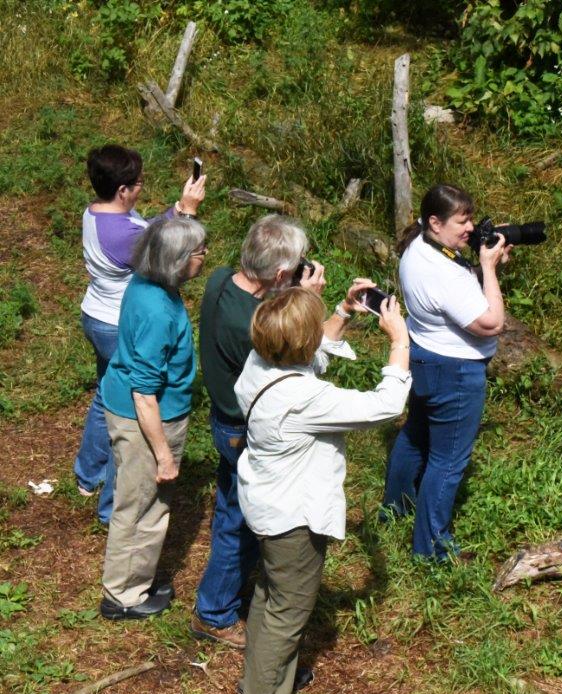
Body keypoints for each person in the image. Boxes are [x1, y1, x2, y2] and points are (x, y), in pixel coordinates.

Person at [191, 214, 378, 649]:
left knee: (231, 509)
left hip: (224, 420)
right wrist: (304, 303)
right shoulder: (254, 325)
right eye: (295, 269)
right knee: (240, 522)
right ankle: (215, 612)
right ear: (280, 275)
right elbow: (303, 355)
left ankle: (220, 602)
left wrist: (337, 309)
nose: (302, 273)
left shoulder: (221, 280)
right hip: (246, 432)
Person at [235, 288, 411, 694]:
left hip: (265, 503)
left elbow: (309, 359)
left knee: (269, 596)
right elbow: (384, 406)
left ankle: (265, 677)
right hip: (292, 518)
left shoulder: (260, 365)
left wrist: (342, 313)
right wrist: (399, 344)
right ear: (303, 342)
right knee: (287, 610)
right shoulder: (302, 399)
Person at [74, 144, 205, 525]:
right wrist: (188, 214)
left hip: (96, 314)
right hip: (119, 325)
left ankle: (87, 474)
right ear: (123, 191)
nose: (142, 187)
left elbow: (147, 230)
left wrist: (177, 210)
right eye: (138, 183)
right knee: (130, 412)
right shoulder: (124, 234)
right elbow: (161, 250)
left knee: (105, 393)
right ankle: (111, 507)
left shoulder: (97, 213)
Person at [382, 184, 510, 560]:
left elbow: (452, 284)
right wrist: (487, 268)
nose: (470, 227)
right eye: (463, 220)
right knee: (448, 460)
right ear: (435, 222)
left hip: (424, 356)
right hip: (455, 372)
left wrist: (482, 269)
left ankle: (396, 509)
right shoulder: (444, 272)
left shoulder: (417, 247)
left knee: (416, 435)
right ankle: (431, 550)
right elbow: (491, 323)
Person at [98, 217, 207, 620]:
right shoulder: (159, 310)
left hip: (130, 408)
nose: (204, 256)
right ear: (177, 260)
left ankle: (134, 577)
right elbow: (145, 394)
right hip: (147, 419)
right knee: (143, 505)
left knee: (138, 499)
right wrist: (163, 454)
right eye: (199, 252)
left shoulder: (146, 284)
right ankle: (124, 595)